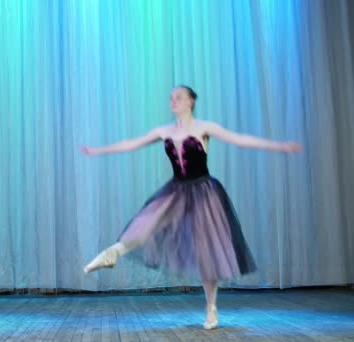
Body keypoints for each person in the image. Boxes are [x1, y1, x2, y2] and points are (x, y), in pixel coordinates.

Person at [81, 86, 301, 329]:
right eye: (171, 98)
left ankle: (211, 307)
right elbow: (130, 144)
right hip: (176, 191)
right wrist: (97, 150)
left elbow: (241, 139)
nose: (173, 101)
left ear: (191, 102)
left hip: (203, 192)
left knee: (208, 252)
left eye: (179, 97)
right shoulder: (164, 131)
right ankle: (113, 253)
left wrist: (279, 146)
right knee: (145, 225)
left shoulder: (204, 128)